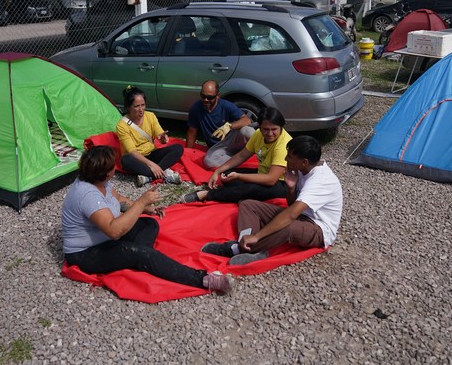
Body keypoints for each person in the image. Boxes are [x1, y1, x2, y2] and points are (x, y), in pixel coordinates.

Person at [62, 145, 235, 294]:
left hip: (105, 238)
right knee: (140, 254)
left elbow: (120, 200)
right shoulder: (87, 195)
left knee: (148, 224)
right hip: (85, 253)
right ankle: (203, 279)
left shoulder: (101, 181)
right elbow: (114, 231)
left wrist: (145, 209)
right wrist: (142, 201)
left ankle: (142, 259)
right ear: (106, 173)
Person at [200, 135, 342, 266]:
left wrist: (258, 235)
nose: (286, 159)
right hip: (301, 216)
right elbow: (292, 205)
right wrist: (291, 188)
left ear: (304, 162)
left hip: (319, 229)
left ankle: (239, 248)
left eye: (290, 156)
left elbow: (291, 214)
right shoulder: (303, 169)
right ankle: (246, 244)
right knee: (248, 204)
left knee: (287, 226)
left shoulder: (320, 181)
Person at [182, 107, 291, 204]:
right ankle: (240, 194)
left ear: (281, 127)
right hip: (262, 173)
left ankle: (207, 194)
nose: (270, 133)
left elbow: (271, 179)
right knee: (227, 174)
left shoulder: (284, 144)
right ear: (260, 127)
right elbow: (241, 156)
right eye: (266, 129)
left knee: (250, 188)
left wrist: (239, 176)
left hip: (281, 183)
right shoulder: (258, 135)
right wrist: (218, 171)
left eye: (274, 129)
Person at [116, 86, 183, 187]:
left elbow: (159, 134)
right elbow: (132, 152)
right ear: (128, 107)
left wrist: (163, 139)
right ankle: (164, 174)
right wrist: (151, 165)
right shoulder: (122, 125)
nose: (141, 109)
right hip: (136, 158)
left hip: (152, 154)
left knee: (178, 148)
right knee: (125, 160)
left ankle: (149, 176)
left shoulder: (150, 116)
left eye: (143, 105)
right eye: (136, 106)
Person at [186, 80, 255, 169]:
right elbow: (192, 132)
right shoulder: (195, 108)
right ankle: (240, 158)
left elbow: (247, 120)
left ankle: (264, 152)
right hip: (218, 146)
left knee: (248, 131)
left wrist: (229, 126)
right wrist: (187, 153)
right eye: (203, 96)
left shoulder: (226, 105)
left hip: (233, 139)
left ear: (218, 96)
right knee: (208, 162)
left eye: (210, 97)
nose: (206, 100)